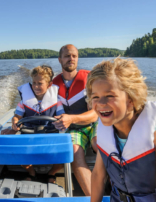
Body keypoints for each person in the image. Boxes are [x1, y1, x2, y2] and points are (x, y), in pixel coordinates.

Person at [88, 58, 156, 202]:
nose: (101, 103)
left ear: (131, 99)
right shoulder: (105, 134)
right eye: (95, 97)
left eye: (110, 96)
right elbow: (98, 175)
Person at [1, 65, 65, 183]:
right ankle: (31, 172)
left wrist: (61, 120)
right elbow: (17, 117)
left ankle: (51, 173)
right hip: (29, 135)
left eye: (40, 83)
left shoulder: (57, 102)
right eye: (34, 83)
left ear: (49, 84)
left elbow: (62, 116)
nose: (36, 86)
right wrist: (14, 123)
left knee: (64, 155)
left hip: (50, 135)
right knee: (19, 156)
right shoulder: (24, 102)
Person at [52, 44, 98, 196]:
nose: (71, 59)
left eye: (74, 56)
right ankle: (94, 197)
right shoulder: (53, 85)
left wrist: (72, 118)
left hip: (94, 123)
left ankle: (117, 184)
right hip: (73, 128)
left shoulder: (90, 79)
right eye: (67, 56)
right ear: (60, 60)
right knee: (75, 153)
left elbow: (96, 113)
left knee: (100, 144)